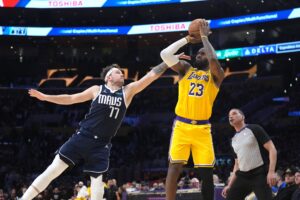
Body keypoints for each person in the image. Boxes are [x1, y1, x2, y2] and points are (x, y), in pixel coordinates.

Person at [21, 62, 170, 200]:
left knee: (97, 182)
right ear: (108, 77)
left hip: (101, 144)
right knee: (52, 170)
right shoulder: (97, 90)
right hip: (83, 136)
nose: (122, 74)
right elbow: (71, 98)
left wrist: (167, 62)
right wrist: (45, 97)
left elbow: (150, 76)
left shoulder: (127, 92)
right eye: (118, 72)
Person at [160, 18, 225, 200]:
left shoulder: (216, 76)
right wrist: (188, 39)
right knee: (174, 168)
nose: (199, 55)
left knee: (207, 174)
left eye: (202, 53)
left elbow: (213, 59)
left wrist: (204, 37)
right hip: (182, 126)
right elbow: (165, 54)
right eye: (198, 53)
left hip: (203, 129)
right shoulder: (186, 70)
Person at [221, 108, 277, 200]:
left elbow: (272, 149)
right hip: (242, 176)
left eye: (234, 113)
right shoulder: (233, 140)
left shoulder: (254, 128)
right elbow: (237, 164)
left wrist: (271, 171)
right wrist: (229, 185)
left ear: (242, 117)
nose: (231, 116)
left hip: (259, 174)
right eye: (229, 116)